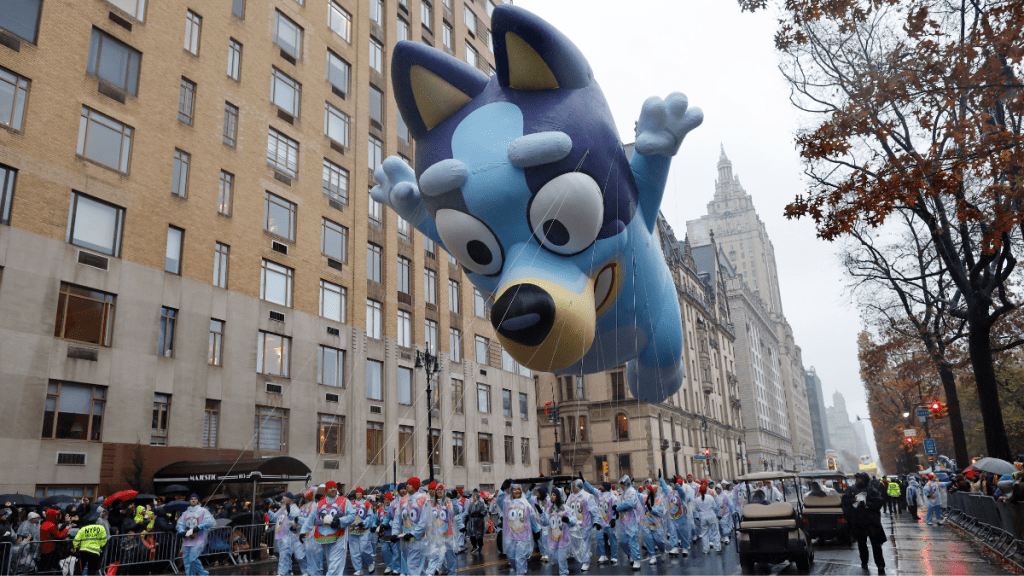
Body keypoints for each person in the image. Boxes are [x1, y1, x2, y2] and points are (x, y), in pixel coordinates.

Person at [301, 480, 358, 576]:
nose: (333, 489)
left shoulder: (344, 501)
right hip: (325, 538)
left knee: (334, 566)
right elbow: (310, 519)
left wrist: (339, 521)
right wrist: (303, 531)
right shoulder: (320, 503)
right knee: (331, 563)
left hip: (339, 537)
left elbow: (352, 515)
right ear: (326, 491)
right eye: (331, 488)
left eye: (335, 487)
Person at [842, 472, 886, 574]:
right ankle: (864, 562)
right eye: (857, 479)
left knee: (876, 544)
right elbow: (844, 500)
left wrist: (867, 503)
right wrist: (853, 500)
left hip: (871, 521)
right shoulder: (852, 489)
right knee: (861, 544)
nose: (858, 481)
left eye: (860, 479)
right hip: (858, 521)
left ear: (864, 479)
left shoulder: (871, 489)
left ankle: (880, 565)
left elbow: (879, 502)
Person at [495, 481, 539, 575]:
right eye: (515, 489)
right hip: (510, 535)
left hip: (523, 536)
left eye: (518, 489)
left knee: (520, 558)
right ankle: (518, 570)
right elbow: (498, 500)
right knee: (511, 557)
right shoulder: (506, 503)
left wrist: (536, 529)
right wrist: (502, 489)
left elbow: (531, 516)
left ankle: (521, 573)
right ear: (511, 491)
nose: (517, 491)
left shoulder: (526, 504)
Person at [395, 477, 431, 576]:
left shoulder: (424, 499)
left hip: (418, 540)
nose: (407, 486)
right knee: (417, 566)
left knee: (412, 566)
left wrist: (413, 534)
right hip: (406, 539)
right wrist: (394, 533)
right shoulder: (403, 500)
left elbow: (424, 521)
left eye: (410, 484)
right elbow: (397, 518)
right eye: (407, 484)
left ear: (415, 486)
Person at [537, 489, 575, 576]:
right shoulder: (550, 509)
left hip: (563, 538)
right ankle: (563, 569)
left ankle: (564, 573)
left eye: (554, 494)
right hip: (553, 539)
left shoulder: (565, 508)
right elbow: (545, 522)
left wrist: (569, 520)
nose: (551, 496)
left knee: (561, 559)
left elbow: (574, 519)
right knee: (555, 559)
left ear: (558, 496)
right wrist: (541, 513)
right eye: (551, 494)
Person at [566, 475, 599, 571]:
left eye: (573, 486)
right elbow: (567, 509)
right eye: (572, 486)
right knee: (577, 544)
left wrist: (596, 521)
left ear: (578, 486)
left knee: (584, 543)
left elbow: (594, 510)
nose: (572, 488)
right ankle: (584, 557)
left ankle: (586, 562)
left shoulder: (587, 496)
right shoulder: (570, 497)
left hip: (585, 524)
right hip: (574, 525)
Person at [177, 494, 214, 576]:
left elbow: (209, 522)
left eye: (195, 499)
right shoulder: (185, 513)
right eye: (191, 499)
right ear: (189, 501)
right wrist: (181, 531)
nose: (193, 500)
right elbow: (180, 524)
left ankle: (203, 573)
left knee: (192, 559)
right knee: (187, 561)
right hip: (187, 540)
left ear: (198, 501)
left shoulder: (203, 511)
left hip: (198, 539)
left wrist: (199, 527)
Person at [426, 484, 457, 576]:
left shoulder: (448, 502)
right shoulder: (431, 503)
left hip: (448, 533)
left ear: (444, 491)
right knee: (434, 553)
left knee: (450, 555)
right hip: (435, 534)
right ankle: (433, 571)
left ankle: (452, 573)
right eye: (437, 489)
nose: (439, 491)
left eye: (441, 489)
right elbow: (428, 518)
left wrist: (454, 500)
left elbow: (454, 512)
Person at [268, 492, 302, 576]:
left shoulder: (295, 509)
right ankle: (289, 571)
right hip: (280, 535)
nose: (282, 500)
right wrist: (267, 510)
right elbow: (274, 518)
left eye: (283, 498)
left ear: (289, 500)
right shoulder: (282, 509)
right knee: (285, 555)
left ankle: (281, 573)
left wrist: (289, 512)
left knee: (284, 556)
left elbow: (297, 521)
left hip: (289, 536)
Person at [614, 475, 644, 570]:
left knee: (633, 541)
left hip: (632, 519)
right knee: (622, 541)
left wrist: (617, 508)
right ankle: (630, 554)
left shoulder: (631, 491)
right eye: (620, 484)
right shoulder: (623, 493)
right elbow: (618, 504)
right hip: (623, 521)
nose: (621, 486)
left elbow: (630, 503)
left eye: (622, 484)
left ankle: (636, 561)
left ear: (626, 483)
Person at [659, 476, 691, 558]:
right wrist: (661, 479)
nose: (671, 485)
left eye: (672, 484)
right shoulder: (670, 493)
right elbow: (665, 488)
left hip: (681, 517)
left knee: (683, 532)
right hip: (672, 517)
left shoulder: (682, 494)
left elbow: (682, 492)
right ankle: (674, 548)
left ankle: (685, 547)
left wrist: (676, 484)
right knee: (673, 532)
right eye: (671, 484)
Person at [348, 487, 376, 575]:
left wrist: (363, 523)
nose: (358, 494)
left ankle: (370, 562)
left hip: (363, 530)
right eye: (357, 492)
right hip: (353, 531)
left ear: (362, 494)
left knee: (364, 549)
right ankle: (358, 568)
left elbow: (370, 516)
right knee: (354, 551)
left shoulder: (366, 503)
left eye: (360, 492)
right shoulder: (351, 503)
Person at [693, 484, 721, 555]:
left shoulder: (697, 499)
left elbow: (696, 509)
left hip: (702, 516)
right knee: (715, 531)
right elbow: (715, 506)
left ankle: (706, 549)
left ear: (699, 491)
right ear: (706, 490)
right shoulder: (710, 497)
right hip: (711, 514)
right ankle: (718, 548)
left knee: (704, 533)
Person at [465, 489, 487, 554]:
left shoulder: (481, 504)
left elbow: (485, 511)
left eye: (474, 497)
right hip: (472, 522)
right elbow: (468, 512)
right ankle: (474, 546)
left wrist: (479, 514)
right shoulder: (471, 504)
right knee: (472, 535)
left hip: (479, 522)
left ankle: (479, 547)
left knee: (479, 535)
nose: (473, 498)